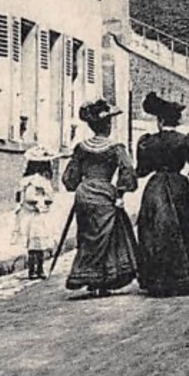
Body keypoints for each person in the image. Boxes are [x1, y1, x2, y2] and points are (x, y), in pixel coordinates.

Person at [134, 93, 189, 296]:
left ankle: (156, 279)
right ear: (176, 121)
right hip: (179, 186)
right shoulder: (185, 140)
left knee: (153, 230)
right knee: (183, 226)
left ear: (160, 121)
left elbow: (142, 170)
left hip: (155, 187)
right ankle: (186, 273)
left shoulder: (148, 142)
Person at [61, 99, 138, 295]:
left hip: (84, 194)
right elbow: (127, 171)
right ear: (107, 125)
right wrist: (120, 193)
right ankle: (103, 279)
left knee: (87, 236)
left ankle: (89, 278)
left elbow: (70, 178)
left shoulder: (81, 147)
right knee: (107, 237)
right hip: (105, 193)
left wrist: (80, 186)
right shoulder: (116, 147)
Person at [14, 145, 58, 279]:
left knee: (38, 244)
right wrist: (42, 201)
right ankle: (34, 270)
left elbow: (18, 197)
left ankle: (38, 269)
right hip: (34, 215)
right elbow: (29, 197)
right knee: (35, 244)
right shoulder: (36, 181)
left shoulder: (28, 180)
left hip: (33, 214)